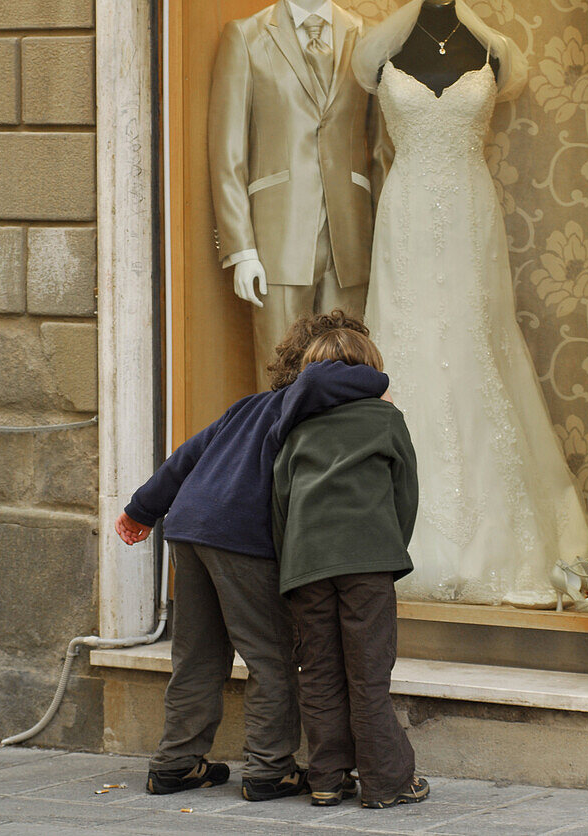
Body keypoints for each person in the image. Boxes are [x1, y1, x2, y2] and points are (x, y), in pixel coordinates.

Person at [115, 311, 389, 802]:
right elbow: (325, 377)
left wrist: (142, 509)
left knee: (197, 655)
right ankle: (270, 769)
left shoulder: (248, 408)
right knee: (272, 658)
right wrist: (374, 379)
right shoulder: (303, 404)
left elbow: (184, 459)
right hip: (242, 537)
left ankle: (177, 764)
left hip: (188, 529)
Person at [272, 325, 430, 810]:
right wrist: (387, 548)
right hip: (368, 561)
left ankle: (325, 780)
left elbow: (281, 500)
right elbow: (406, 494)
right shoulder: (385, 419)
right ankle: (387, 783)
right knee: (368, 673)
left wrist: (292, 560)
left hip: (307, 564)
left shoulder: (297, 425)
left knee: (317, 671)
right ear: (371, 367)